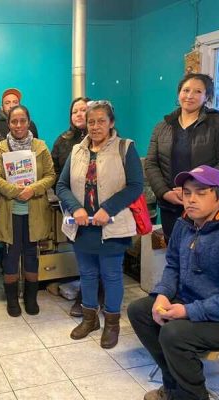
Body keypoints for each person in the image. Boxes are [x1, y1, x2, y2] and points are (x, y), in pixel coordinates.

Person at [128, 165, 219, 400]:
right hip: (192, 301)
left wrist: (188, 311)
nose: (191, 199)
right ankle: (173, 387)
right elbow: (173, 265)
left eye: (201, 193)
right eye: (187, 192)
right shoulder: (185, 224)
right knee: (139, 311)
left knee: (174, 334)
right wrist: (162, 294)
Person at [56, 100, 143, 349]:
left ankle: (112, 324)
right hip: (83, 226)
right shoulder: (77, 150)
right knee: (87, 274)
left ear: (111, 123)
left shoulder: (125, 148)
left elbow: (135, 186)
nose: (95, 126)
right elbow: (61, 185)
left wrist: (108, 208)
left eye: (101, 121)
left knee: (112, 275)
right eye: (91, 122)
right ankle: (90, 319)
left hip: (112, 226)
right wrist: (76, 208)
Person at [0, 105, 55, 317]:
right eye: (14, 121)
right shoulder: (0, 148)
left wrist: (32, 190)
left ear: (28, 122)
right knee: (11, 255)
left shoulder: (40, 147)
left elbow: (51, 175)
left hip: (34, 211)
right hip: (10, 212)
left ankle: (30, 297)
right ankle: (12, 299)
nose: (18, 125)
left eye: (22, 121)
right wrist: (16, 191)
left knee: (31, 254)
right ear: (8, 123)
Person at [145, 73, 219, 242]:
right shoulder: (162, 127)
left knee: (204, 252)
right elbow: (151, 164)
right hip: (170, 205)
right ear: (179, 93)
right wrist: (164, 192)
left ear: (207, 97)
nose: (190, 95)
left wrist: (194, 190)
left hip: (206, 204)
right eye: (186, 90)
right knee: (174, 251)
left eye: (198, 91)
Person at [50, 96, 106, 317]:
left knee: (102, 252)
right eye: (75, 111)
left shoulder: (109, 140)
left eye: (83, 110)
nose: (79, 115)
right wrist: (69, 201)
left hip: (102, 208)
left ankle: (102, 294)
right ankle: (86, 296)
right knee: (82, 253)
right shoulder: (63, 141)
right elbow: (55, 173)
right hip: (73, 207)